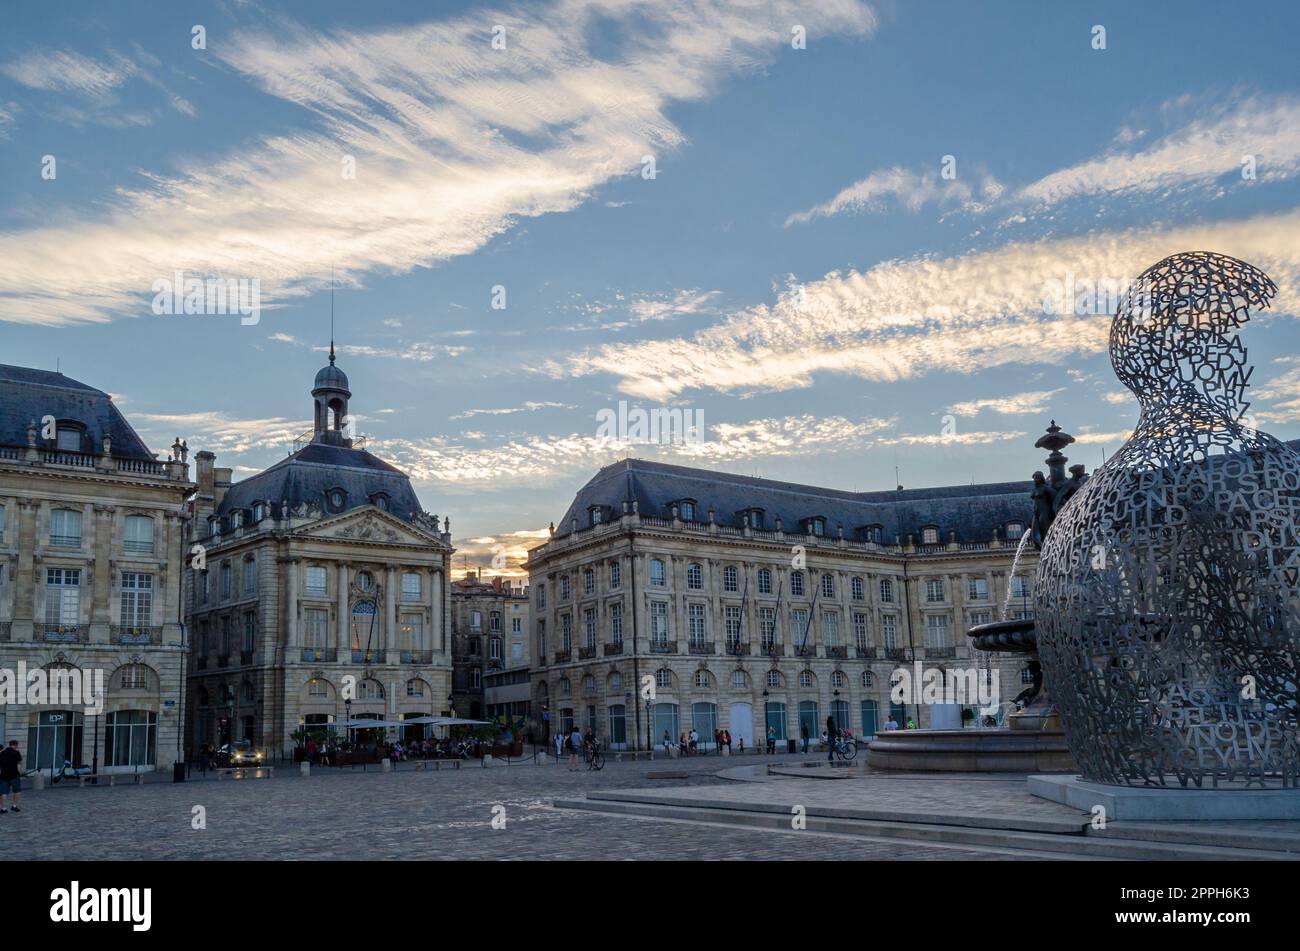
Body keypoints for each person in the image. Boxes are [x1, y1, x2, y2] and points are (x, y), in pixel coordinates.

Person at [0, 740, 23, 814]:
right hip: (14, 775)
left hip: (4, 776)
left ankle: (3, 808)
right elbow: (20, 762)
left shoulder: (2, 753)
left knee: (3, 793)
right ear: (15, 745)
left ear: (9, 745)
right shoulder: (16, 752)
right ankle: (14, 806)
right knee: (17, 791)